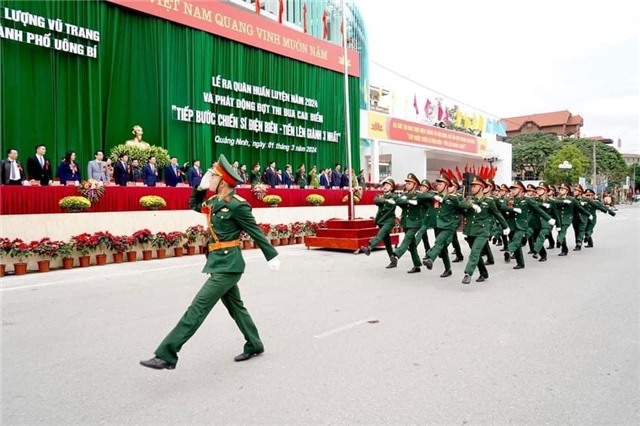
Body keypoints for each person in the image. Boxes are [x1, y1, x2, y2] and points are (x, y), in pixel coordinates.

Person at [139, 154, 281, 370]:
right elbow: (193, 204)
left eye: (213, 177)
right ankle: (254, 344)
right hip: (218, 263)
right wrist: (200, 187)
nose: (210, 179)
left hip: (229, 265)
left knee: (197, 308)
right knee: (236, 308)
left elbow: (255, 231)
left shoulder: (237, 206)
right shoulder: (214, 202)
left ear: (223, 181)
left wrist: (271, 255)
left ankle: (167, 354)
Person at [458, 176, 510, 284]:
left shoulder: (489, 201)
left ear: (481, 187)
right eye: (471, 186)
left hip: (482, 231)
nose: (472, 188)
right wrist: (471, 205)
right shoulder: (470, 199)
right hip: (470, 231)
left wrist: (505, 227)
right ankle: (483, 273)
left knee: (475, 252)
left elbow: (497, 214)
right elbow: (460, 204)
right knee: (475, 253)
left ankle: (468, 273)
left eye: (475, 186)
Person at [358, 177, 398, 268]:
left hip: (389, 221)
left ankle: (369, 248)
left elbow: (398, 200)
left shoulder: (394, 196)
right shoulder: (380, 196)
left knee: (380, 234)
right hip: (381, 221)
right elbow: (376, 200)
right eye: (384, 185)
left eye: (387, 185)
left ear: (391, 188)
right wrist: (386, 200)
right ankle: (393, 260)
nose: (385, 187)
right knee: (387, 242)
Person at [389, 173, 423, 273]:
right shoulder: (404, 195)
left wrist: (406, 200)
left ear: (415, 184)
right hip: (406, 222)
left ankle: (396, 255)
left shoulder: (418, 195)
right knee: (412, 245)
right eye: (406, 183)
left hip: (415, 223)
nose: (407, 185)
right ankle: (417, 265)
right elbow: (398, 201)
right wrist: (408, 201)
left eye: (409, 183)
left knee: (407, 240)